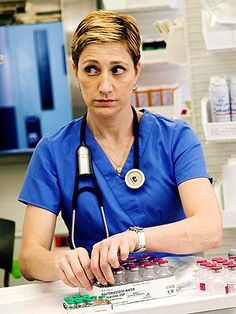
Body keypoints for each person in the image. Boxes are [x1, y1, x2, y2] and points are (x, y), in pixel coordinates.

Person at [18, 10, 222, 291]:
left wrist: (136, 238)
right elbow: (29, 256)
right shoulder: (53, 151)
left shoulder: (176, 138)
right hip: (102, 297)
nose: (104, 86)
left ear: (136, 72)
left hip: (178, 295)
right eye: (91, 69)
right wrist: (59, 263)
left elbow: (209, 229)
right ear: (75, 71)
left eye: (117, 69)